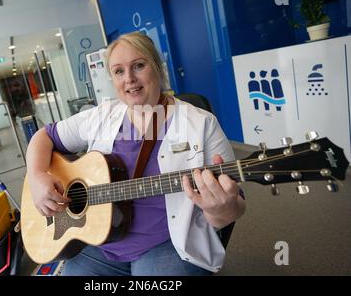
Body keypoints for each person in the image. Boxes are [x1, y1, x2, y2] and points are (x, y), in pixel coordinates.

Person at [26, 32, 245, 276]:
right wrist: (36, 176)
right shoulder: (101, 115)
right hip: (101, 241)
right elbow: (43, 136)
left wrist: (220, 210)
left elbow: (234, 205)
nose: (129, 79)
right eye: (119, 71)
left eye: (138, 66)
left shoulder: (200, 124)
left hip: (166, 244)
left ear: (157, 68)